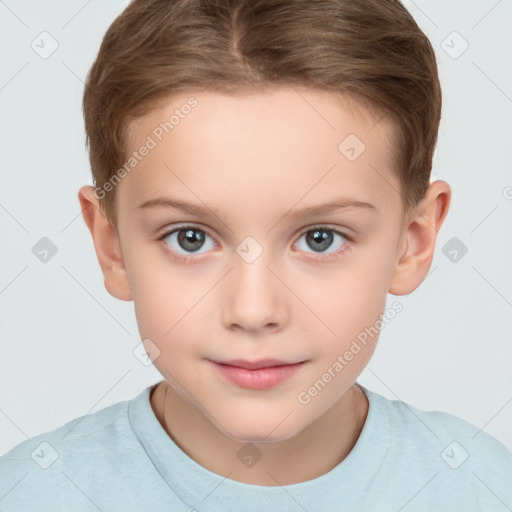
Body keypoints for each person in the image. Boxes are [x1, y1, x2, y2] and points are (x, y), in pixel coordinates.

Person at [0, 0, 510, 510]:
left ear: (412, 242)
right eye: (190, 238)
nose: (253, 310)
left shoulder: (483, 487)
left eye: (320, 238)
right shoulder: (31, 493)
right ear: (111, 246)